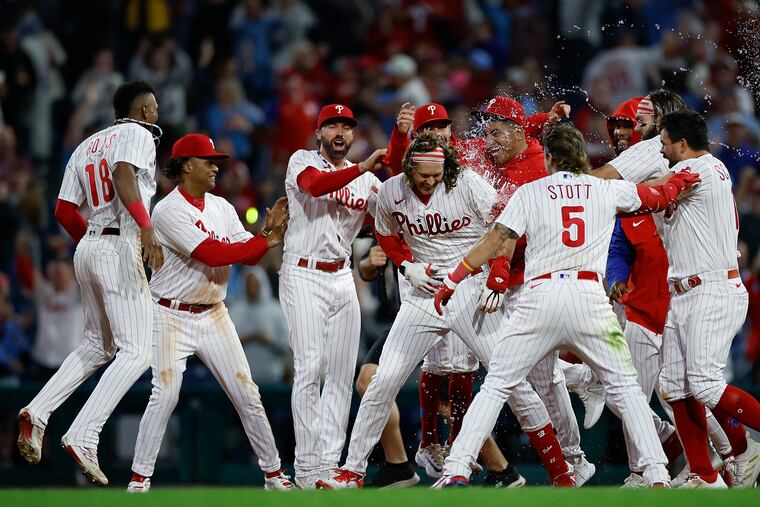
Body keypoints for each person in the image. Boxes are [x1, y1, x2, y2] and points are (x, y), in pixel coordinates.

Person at [432, 123, 700, 488]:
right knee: (626, 388)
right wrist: (682, 181)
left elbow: (495, 240)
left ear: (550, 158)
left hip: (539, 297)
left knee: (496, 385)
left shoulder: (530, 191)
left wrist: (452, 280)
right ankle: (655, 472)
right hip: (590, 299)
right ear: (581, 156)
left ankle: (457, 469)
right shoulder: (606, 188)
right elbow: (657, 197)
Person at [318, 132, 572, 490]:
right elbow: (385, 231)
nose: (431, 181)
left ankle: (561, 473)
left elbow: (505, 228)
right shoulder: (391, 190)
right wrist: (406, 265)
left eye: (437, 175)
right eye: (424, 175)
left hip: (467, 287)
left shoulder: (467, 182)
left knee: (511, 382)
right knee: (384, 379)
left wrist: (498, 274)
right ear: (408, 167)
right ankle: (351, 471)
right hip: (424, 292)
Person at [127, 134, 293, 493]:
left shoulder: (221, 207)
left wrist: (265, 237)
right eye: (208, 161)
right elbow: (213, 254)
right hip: (170, 313)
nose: (216, 166)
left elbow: (247, 256)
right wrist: (264, 239)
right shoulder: (167, 210)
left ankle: (274, 475)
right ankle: (140, 480)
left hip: (213, 312)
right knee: (166, 394)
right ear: (187, 165)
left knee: (247, 392)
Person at [17, 81, 164, 486]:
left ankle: (39, 411)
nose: (157, 113)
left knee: (97, 346)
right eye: (154, 107)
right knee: (138, 351)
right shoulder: (138, 133)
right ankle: (84, 434)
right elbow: (121, 173)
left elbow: (64, 210)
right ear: (145, 109)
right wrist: (146, 229)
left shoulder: (87, 144)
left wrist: (93, 248)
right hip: (120, 242)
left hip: (89, 244)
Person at [385, 103, 531, 484]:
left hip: (468, 277)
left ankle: (457, 449)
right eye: (430, 127)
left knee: (465, 367)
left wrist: (543, 120)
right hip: (425, 278)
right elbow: (392, 176)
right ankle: (433, 444)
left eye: (443, 126)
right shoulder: (412, 170)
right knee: (437, 364)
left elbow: (508, 135)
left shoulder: (467, 155)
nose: (441, 133)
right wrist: (399, 137)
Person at [279, 104, 386, 489]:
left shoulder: (366, 181)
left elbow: (392, 207)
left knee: (342, 374)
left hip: (341, 277)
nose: (340, 132)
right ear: (319, 132)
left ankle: (328, 465)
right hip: (303, 273)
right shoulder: (303, 160)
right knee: (310, 368)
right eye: (332, 126)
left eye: (346, 126)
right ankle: (306, 466)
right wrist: (361, 169)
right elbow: (313, 186)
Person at [657, 110, 760, 489]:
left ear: (683, 145)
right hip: (686, 291)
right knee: (675, 385)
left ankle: (746, 449)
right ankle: (704, 473)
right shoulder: (695, 170)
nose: (663, 150)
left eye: (666, 144)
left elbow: (661, 191)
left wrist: (608, 190)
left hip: (712, 289)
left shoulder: (702, 169)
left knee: (703, 383)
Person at [228, 268, 291, 385]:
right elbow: (224, 346)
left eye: (255, 284)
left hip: (272, 379)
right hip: (242, 382)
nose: (252, 289)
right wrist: (240, 341)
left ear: (262, 284)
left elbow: (287, 345)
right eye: (249, 285)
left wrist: (268, 340)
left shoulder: (275, 310)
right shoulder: (234, 311)